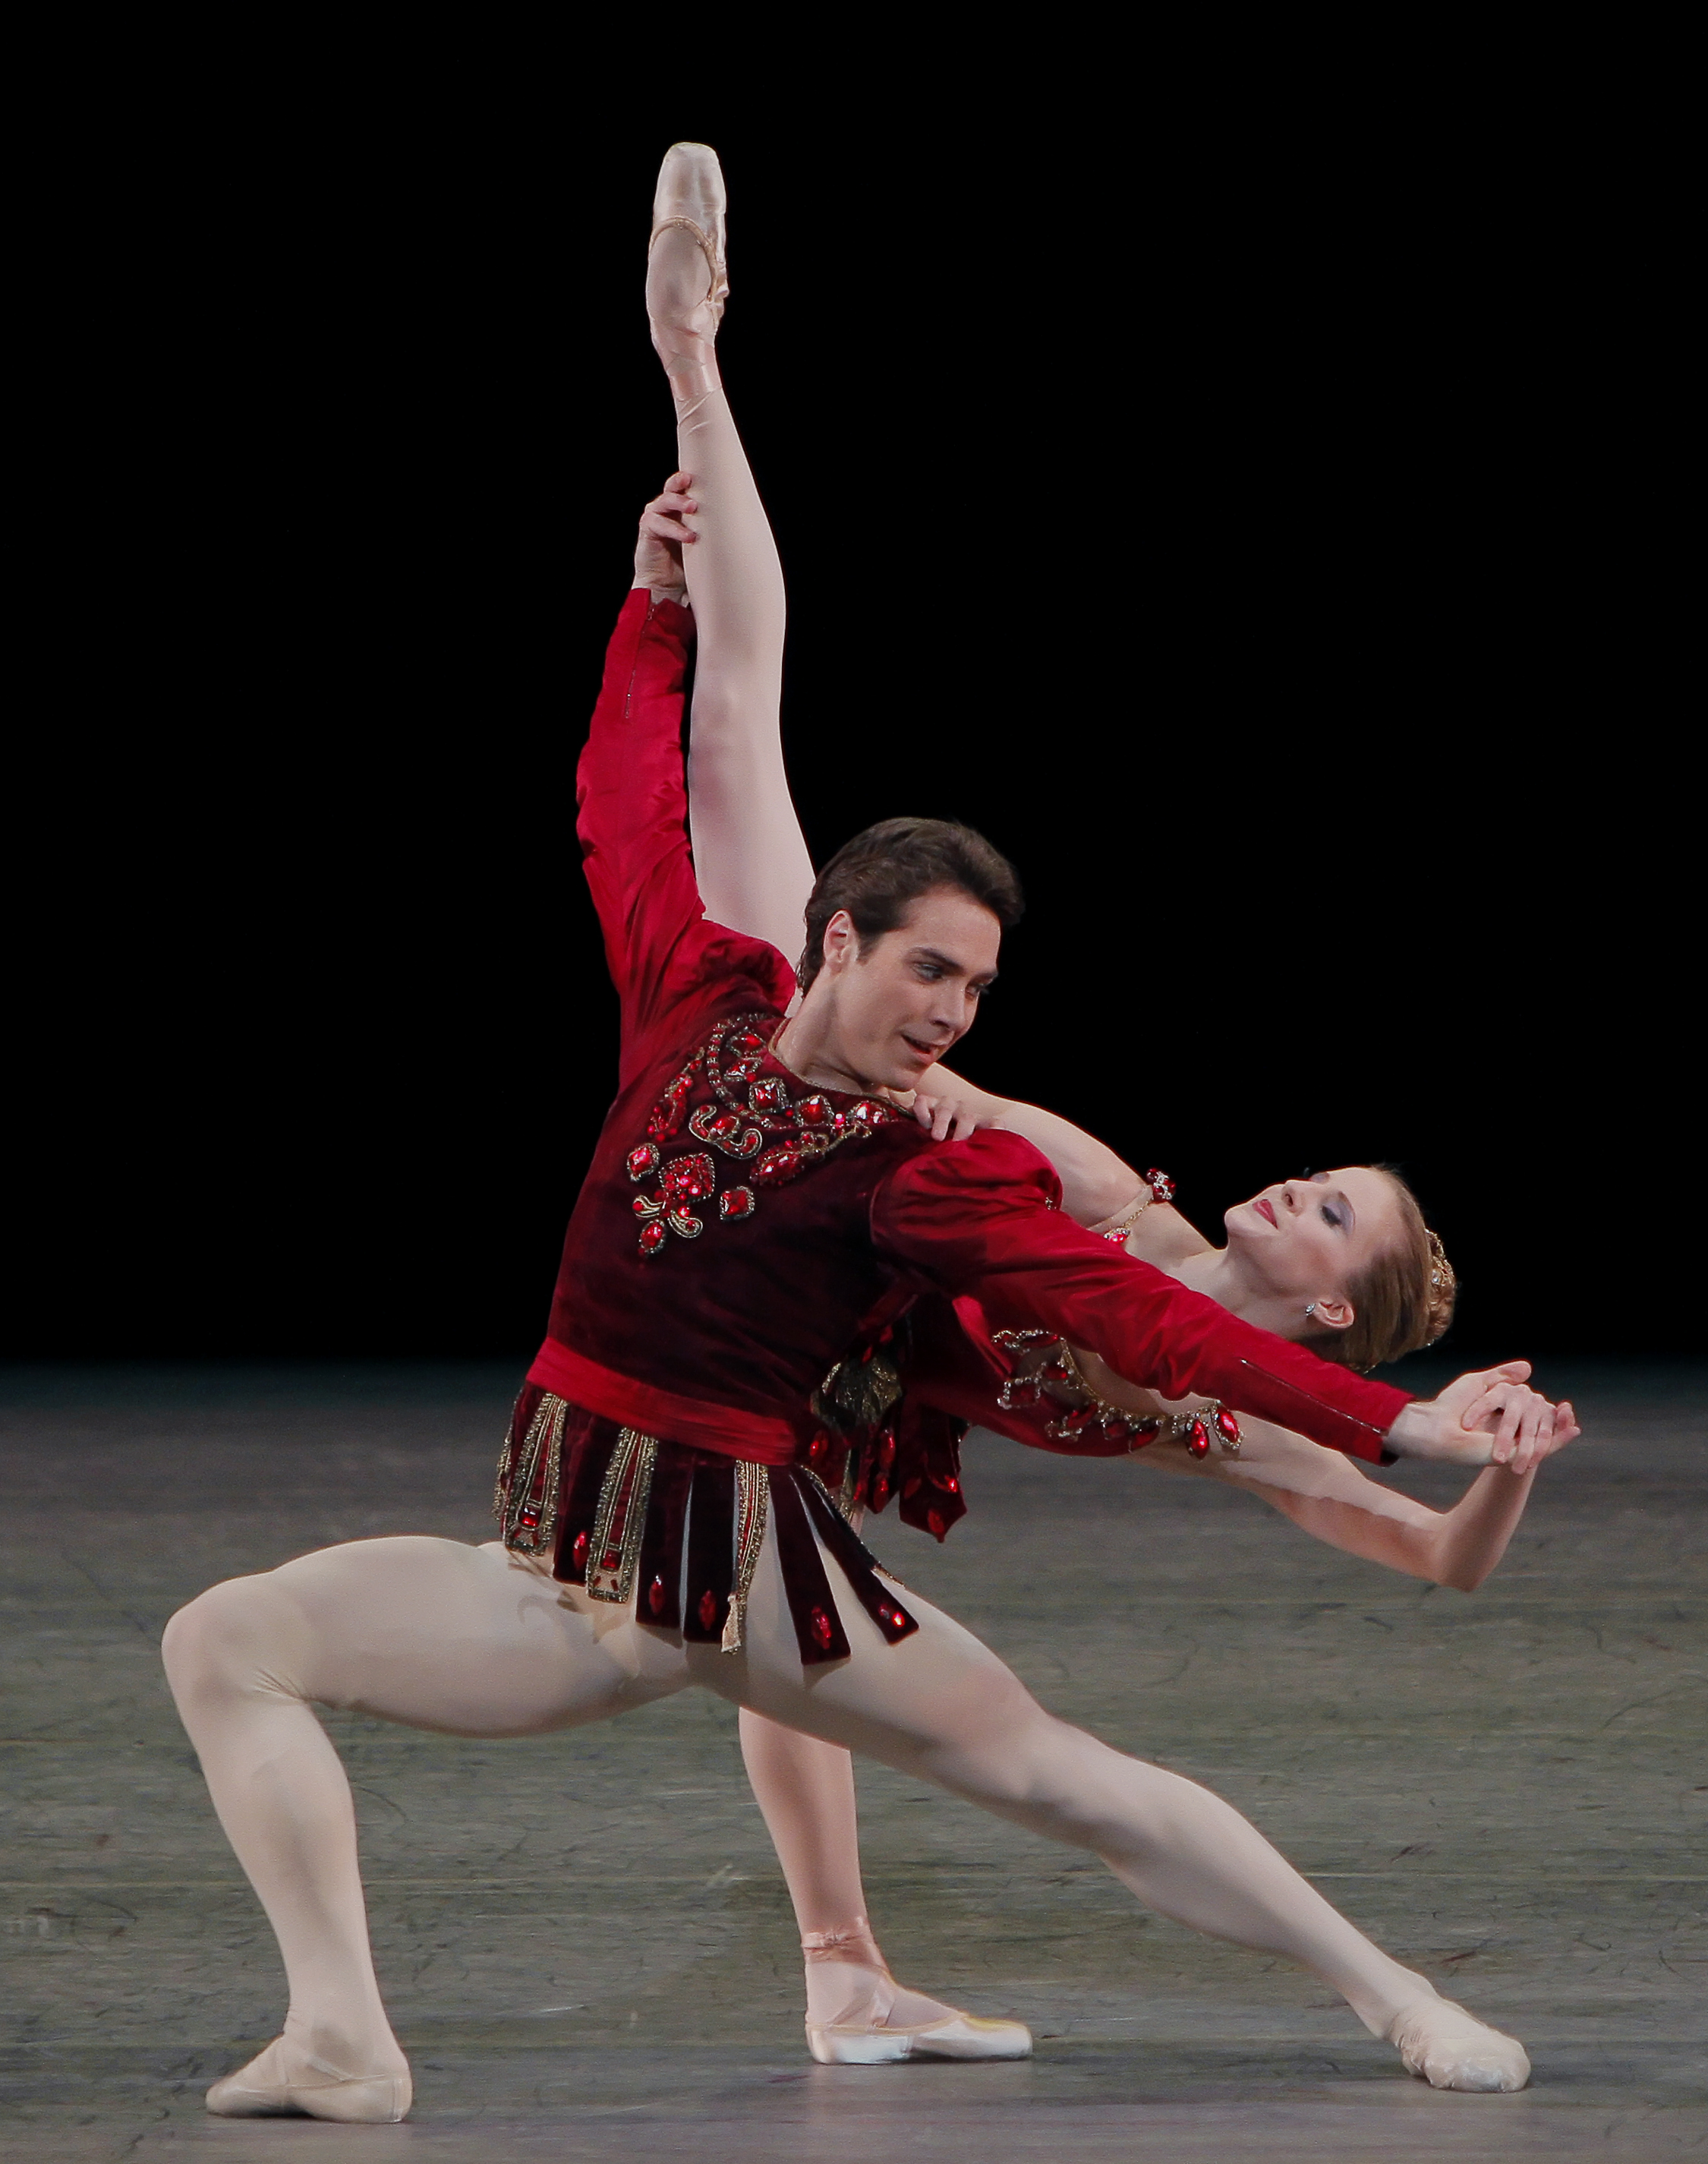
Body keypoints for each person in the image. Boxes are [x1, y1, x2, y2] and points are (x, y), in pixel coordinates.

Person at [159, 143, 1569, 2127]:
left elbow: (1173, 1343)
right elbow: (627, 809)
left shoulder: (976, 1181)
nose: (954, 1019)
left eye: (972, 995)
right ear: (839, 940)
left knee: (1060, 1774)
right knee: (229, 1636)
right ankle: (688, 348)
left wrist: (1432, 1436)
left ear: (1330, 1304)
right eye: (933, 976)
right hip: (649, 1505)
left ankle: (1389, 1992)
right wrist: (639, 615)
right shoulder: (757, 1014)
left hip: (726, 1512)